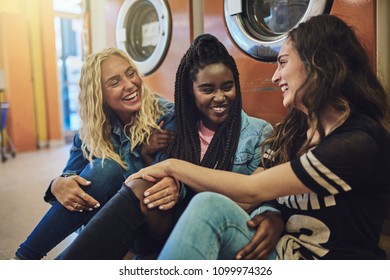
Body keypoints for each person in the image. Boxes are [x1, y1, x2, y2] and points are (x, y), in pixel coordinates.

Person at [128, 15, 390, 260]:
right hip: (280, 253)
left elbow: (253, 189)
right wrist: (268, 213)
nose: (275, 77)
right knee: (200, 205)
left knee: (207, 205)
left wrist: (173, 166)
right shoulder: (294, 131)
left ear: (319, 62)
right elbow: (248, 196)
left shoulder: (358, 142)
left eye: (283, 62)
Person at [59, 33, 284, 260]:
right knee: (137, 185)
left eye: (227, 87)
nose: (220, 97)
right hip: (168, 225)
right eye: (207, 90)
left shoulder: (258, 132)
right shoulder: (180, 129)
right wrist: (156, 169)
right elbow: (153, 181)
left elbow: (264, 191)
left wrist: (271, 214)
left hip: (221, 227)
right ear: (191, 91)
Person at [13, 47, 176, 260]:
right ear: (99, 94)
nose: (129, 85)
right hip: (101, 223)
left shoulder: (165, 117)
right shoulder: (94, 127)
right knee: (104, 169)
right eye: (115, 82)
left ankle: (23, 260)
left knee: (107, 168)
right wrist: (58, 184)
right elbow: (72, 176)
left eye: (130, 73)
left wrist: (144, 155)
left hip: (148, 226)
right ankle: (23, 260)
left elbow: (156, 190)